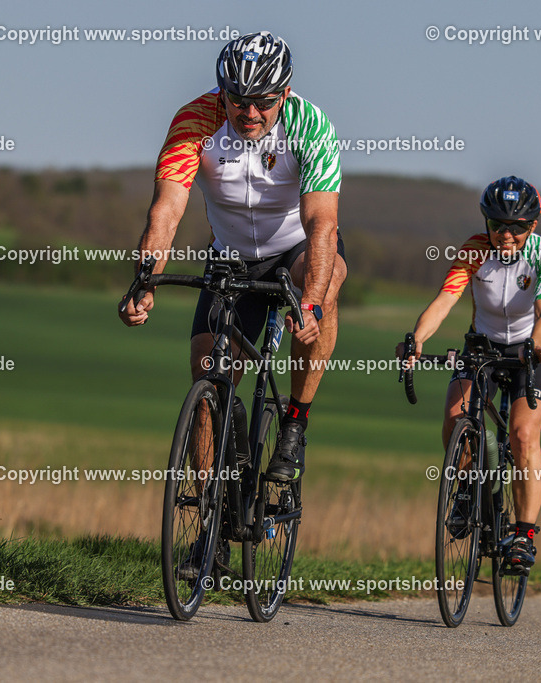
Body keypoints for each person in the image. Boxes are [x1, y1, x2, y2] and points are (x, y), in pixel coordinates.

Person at [119, 31, 347, 575]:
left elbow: (322, 223)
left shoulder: (311, 127)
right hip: (230, 258)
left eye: (263, 101)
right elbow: (166, 212)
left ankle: (295, 418)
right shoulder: (193, 122)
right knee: (208, 384)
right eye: (236, 98)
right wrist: (144, 280)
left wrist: (310, 302)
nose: (248, 111)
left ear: (285, 94)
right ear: (220, 91)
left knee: (331, 274)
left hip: (295, 248)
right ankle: (213, 528)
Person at [398, 176, 541, 576]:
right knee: (457, 416)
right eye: (497, 225)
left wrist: (532, 347)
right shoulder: (474, 250)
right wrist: (417, 338)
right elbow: (445, 301)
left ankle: (524, 535)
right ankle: (468, 491)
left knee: (523, 436)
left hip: (534, 347)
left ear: (532, 227)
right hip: (483, 344)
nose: (506, 235)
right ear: (485, 222)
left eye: (517, 227)